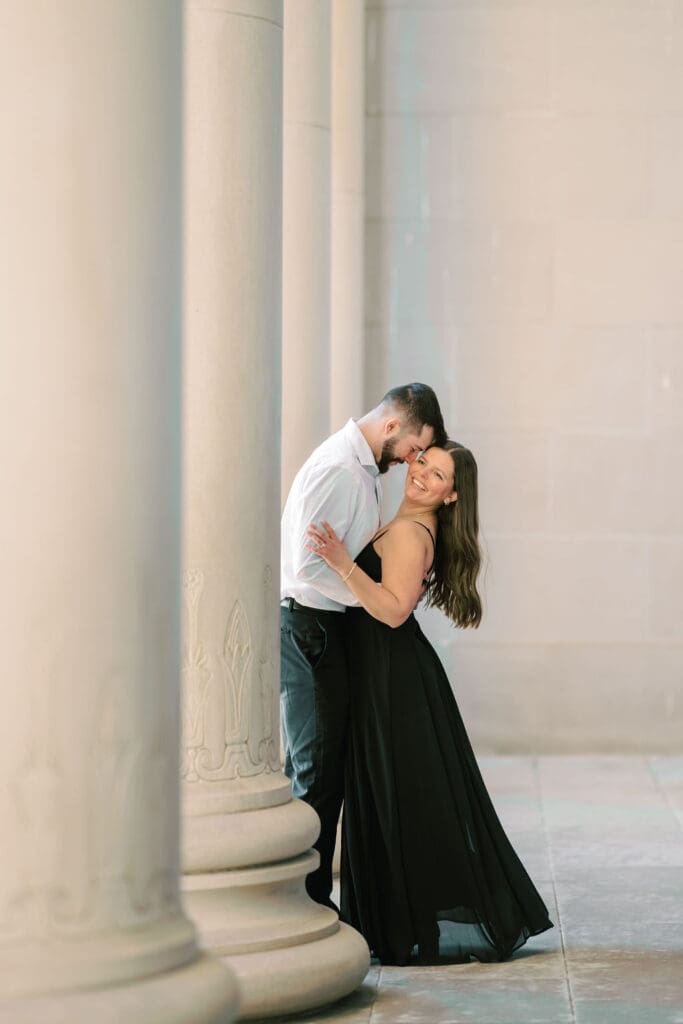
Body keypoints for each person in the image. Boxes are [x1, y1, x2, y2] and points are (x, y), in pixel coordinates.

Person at [306, 441, 554, 963]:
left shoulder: (408, 533)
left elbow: (394, 611)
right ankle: (402, 925)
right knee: (403, 796)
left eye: (437, 474)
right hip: (391, 671)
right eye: (423, 461)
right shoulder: (409, 526)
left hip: (392, 675)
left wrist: (341, 562)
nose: (421, 474)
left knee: (401, 797)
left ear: (451, 494)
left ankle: (402, 928)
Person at [280, 384, 446, 911]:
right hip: (311, 629)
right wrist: (371, 603)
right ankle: (304, 902)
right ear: (393, 427)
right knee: (316, 772)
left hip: (332, 629)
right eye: (414, 449)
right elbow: (306, 569)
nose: (413, 461)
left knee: (329, 771)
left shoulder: (365, 473)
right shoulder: (340, 470)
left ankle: (313, 897)